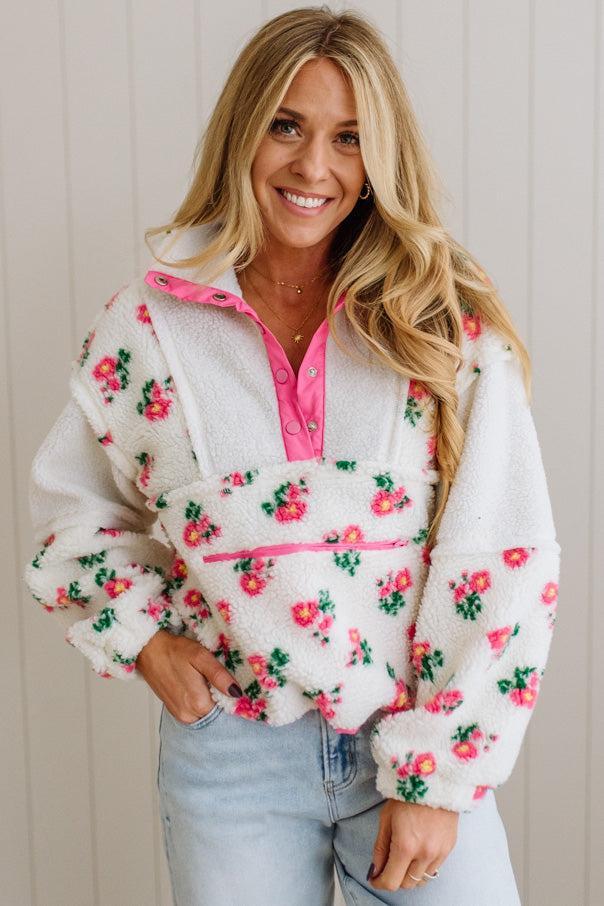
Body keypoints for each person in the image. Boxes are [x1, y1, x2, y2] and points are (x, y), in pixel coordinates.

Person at [23, 7, 560, 904]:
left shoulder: (437, 320)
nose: (314, 167)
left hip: (408, 743)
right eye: (286, 126)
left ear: (379, 158)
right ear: (244, 131)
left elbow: (501, 548)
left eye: (349, 139)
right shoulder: (150, 325)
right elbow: (71, 510)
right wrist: (144, 639)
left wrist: (437, 774)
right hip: (231, 761)